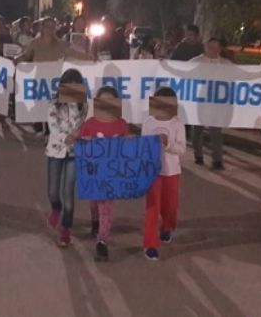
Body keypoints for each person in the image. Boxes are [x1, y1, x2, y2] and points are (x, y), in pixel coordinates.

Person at [16, 17, 94, 136]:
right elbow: (26, 56)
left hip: (55, 81)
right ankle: (41, 129)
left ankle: (50, 131)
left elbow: (75, 54)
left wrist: (92, 58)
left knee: (55, 106)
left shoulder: (61, 44)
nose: (50, 29)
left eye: (53, 27)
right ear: (42, 28)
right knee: (39, 104)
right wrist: (18, 60)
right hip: (40, 80)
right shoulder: (34, 43)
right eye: (47, 26)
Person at [78, 86, 129, 262]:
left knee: (106, 209)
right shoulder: (89, 124)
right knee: (94, 205)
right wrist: (84, 142)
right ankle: (95, 222)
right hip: (93, 174)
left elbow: (126, 148)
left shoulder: (122, 124)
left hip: (111, 176)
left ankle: (102, 242)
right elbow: (80, 146)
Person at [141, 87, 186, 261]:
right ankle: (150, 244)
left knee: (170, 206)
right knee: (152, 208)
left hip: (172, 172)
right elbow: (143, 146)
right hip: (152, 174)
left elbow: (181, 149)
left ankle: (167, 226)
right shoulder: (148, 123)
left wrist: (168, 143)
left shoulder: (177, 124)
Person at [45, 69, 88, 247]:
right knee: (53, 191)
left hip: (74, 153)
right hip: (55, 151)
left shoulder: (83, 106)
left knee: (68, 192)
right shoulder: (53, 105)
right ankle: (56, 208)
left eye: (74, 85)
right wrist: (65, 137)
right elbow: (53, 126)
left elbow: (84, 126)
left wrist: (78, 136)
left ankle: (66, 229)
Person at [189, 38, 232, 170]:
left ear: (220, 49)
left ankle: (217, 160)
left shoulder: (226, 64)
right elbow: (179, 70)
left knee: (216, 130)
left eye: (216, 47)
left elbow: (242, 75)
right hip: (200, 100)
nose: (213, 50)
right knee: (198, 129)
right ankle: (198, 155)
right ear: (205, 47)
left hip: (217, 102)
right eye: (210, 47)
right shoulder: (196, 62)